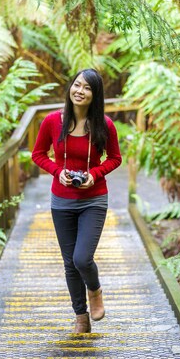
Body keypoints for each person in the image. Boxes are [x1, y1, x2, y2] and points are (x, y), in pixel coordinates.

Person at [32, 68, 122, 334]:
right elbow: (37, 154)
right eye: (76, 85)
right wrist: (58, 172)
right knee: (69, 262)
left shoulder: (104, 125)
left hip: (93, 199)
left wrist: (94, 175)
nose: (79, 91)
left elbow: (115, 158)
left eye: (87, 88)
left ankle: (95, 291)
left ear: (95, 95)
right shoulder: (52, 121)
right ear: (70, 88)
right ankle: (80, 316)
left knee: (82, 258)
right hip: (62, 200)